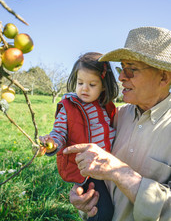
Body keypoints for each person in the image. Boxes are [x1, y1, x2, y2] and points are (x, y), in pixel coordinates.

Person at [64, 26, 171, 221]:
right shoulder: (115, 117)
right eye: (122, 68)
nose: (121, 77)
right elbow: (98, 180)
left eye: (131, 69)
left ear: (163, 77)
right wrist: (85, 200)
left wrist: (120, 172)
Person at [39, 52, 119, 221]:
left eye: (92, 84)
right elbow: (59, 132)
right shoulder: (69, 107)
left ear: (103, 86)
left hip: (109, 166)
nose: (84, 88)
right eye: (80, 82)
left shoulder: (106, 107)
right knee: (102, 212)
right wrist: (52, 143)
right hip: (88, 170)